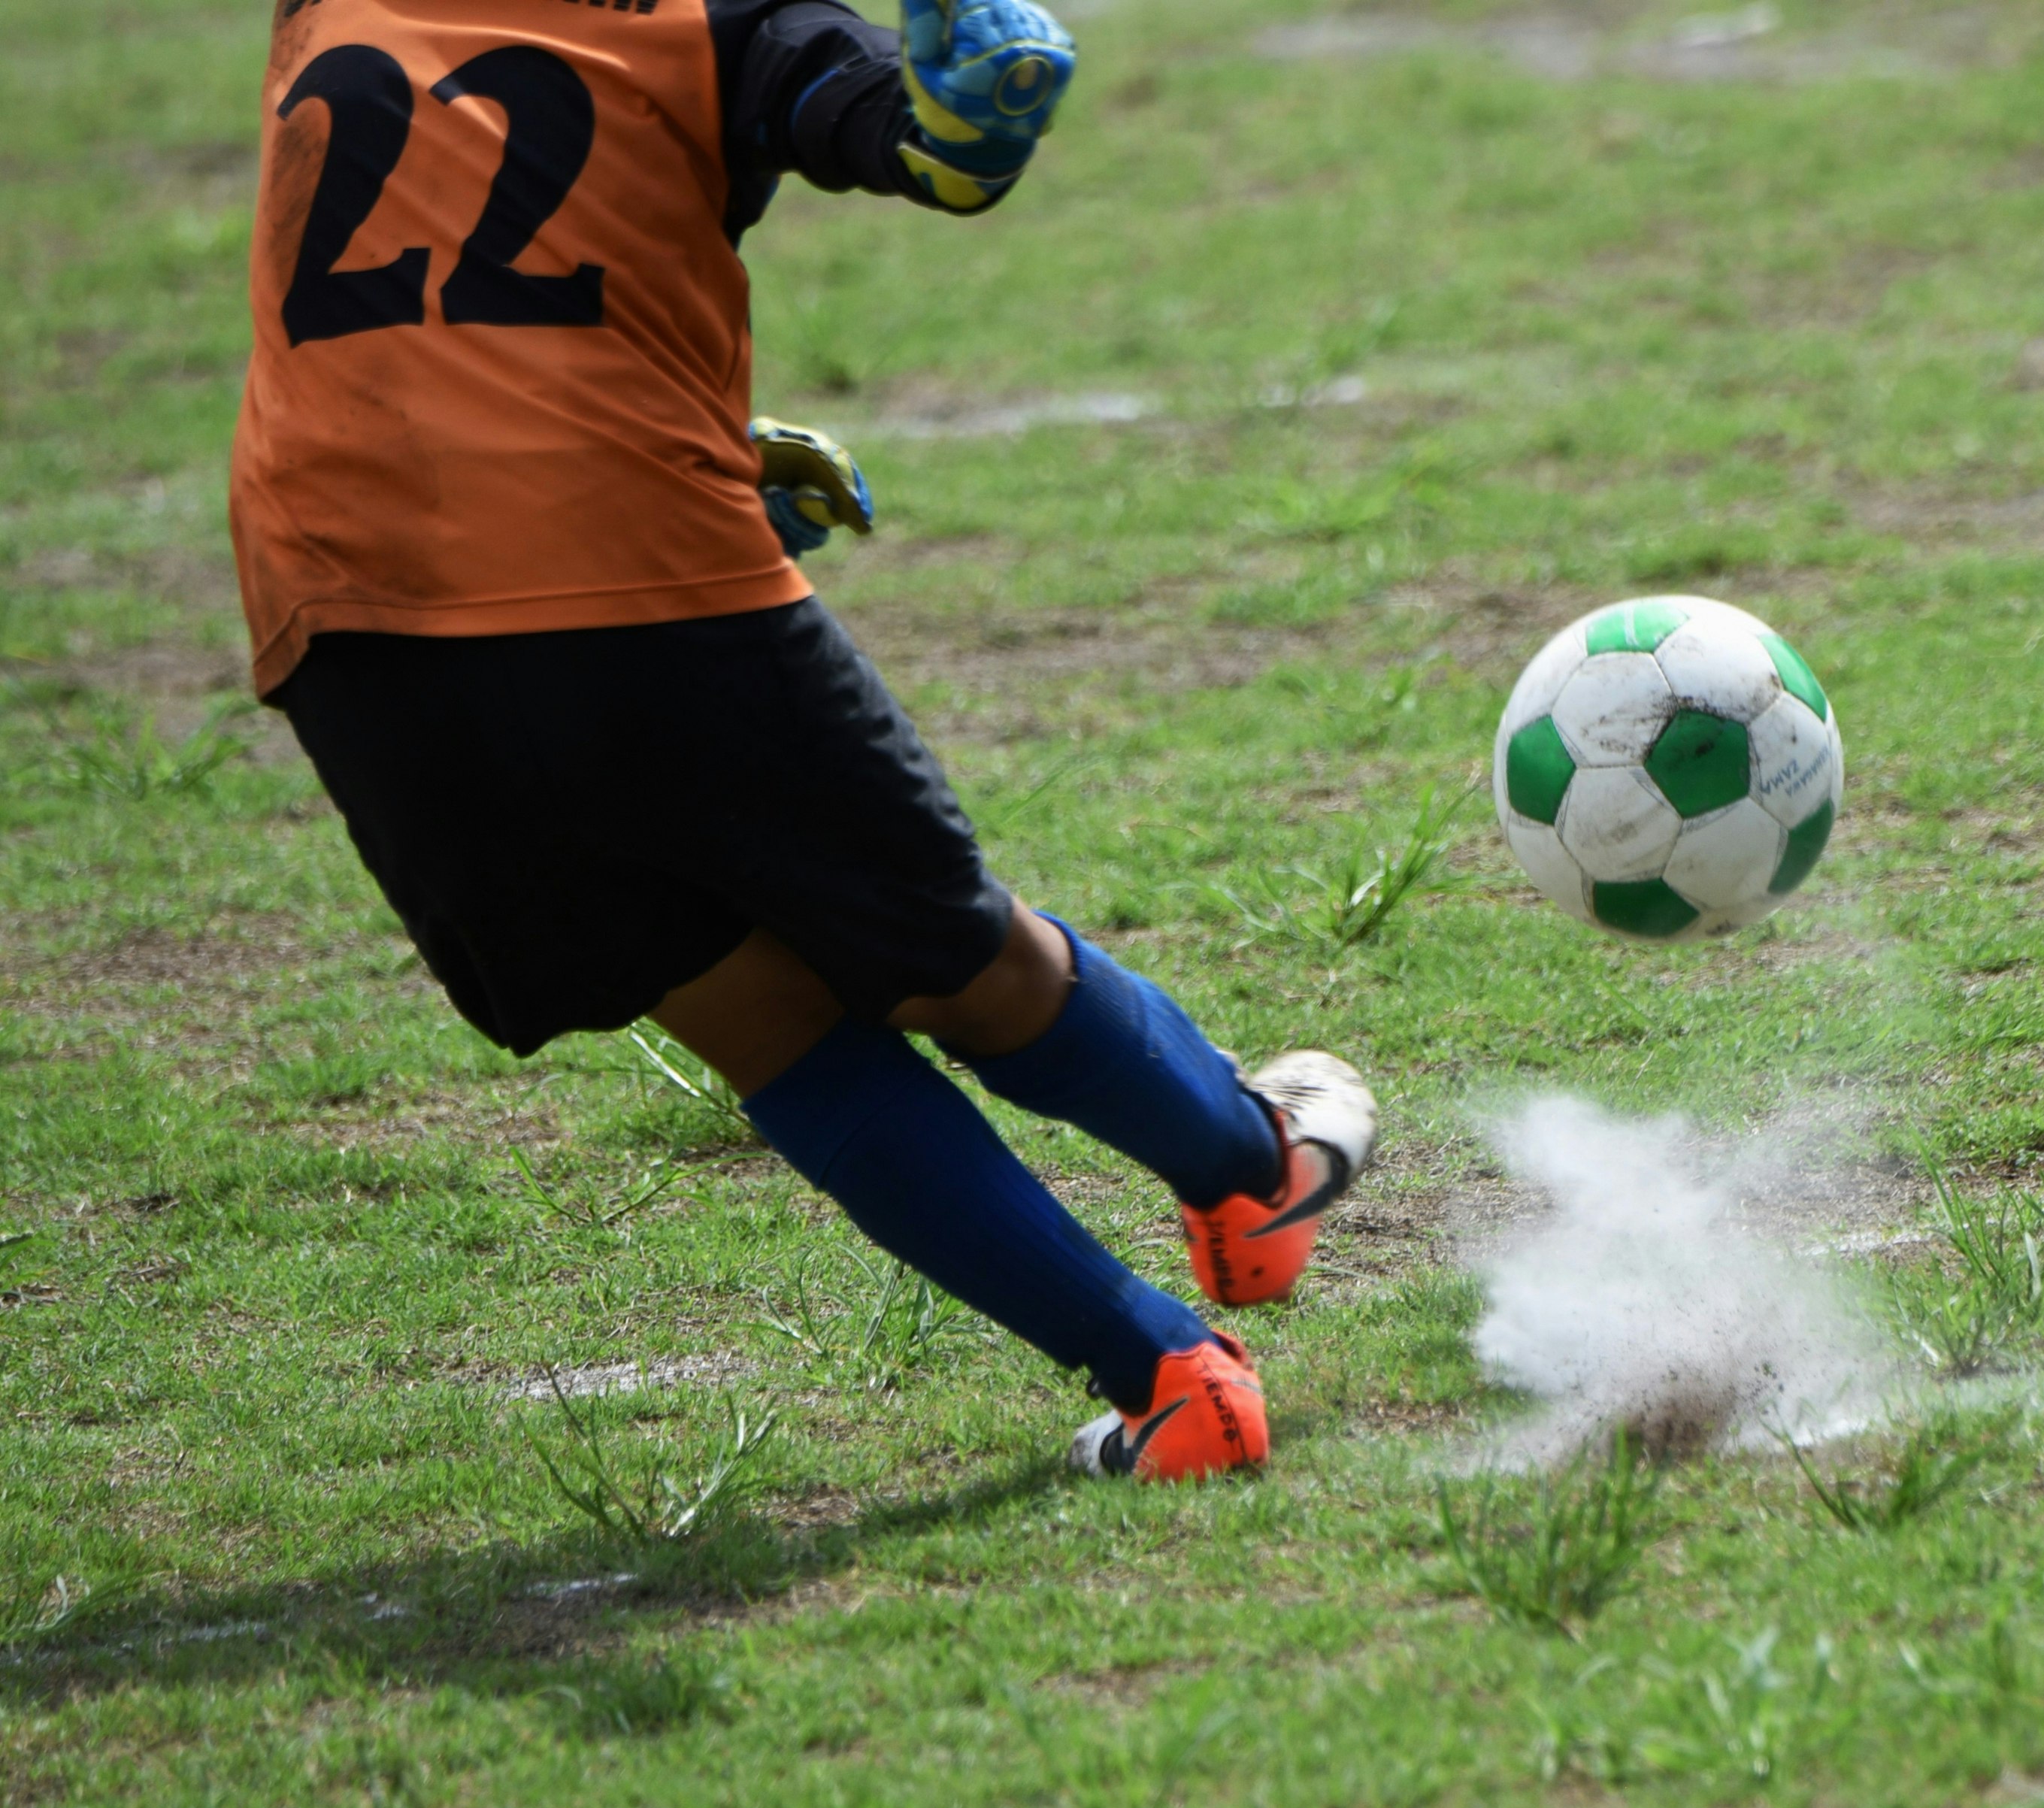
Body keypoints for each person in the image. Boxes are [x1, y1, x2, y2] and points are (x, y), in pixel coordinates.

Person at [229, 0, 1374, 1479]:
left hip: (350, 619)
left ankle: (1168, 1376)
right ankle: (1249, 1167)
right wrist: (970, 119)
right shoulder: (707, 16)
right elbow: (917, 142)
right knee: (961, 957)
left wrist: (674, 420)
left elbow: (441, 264)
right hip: (629, 557)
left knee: (757, 1020)